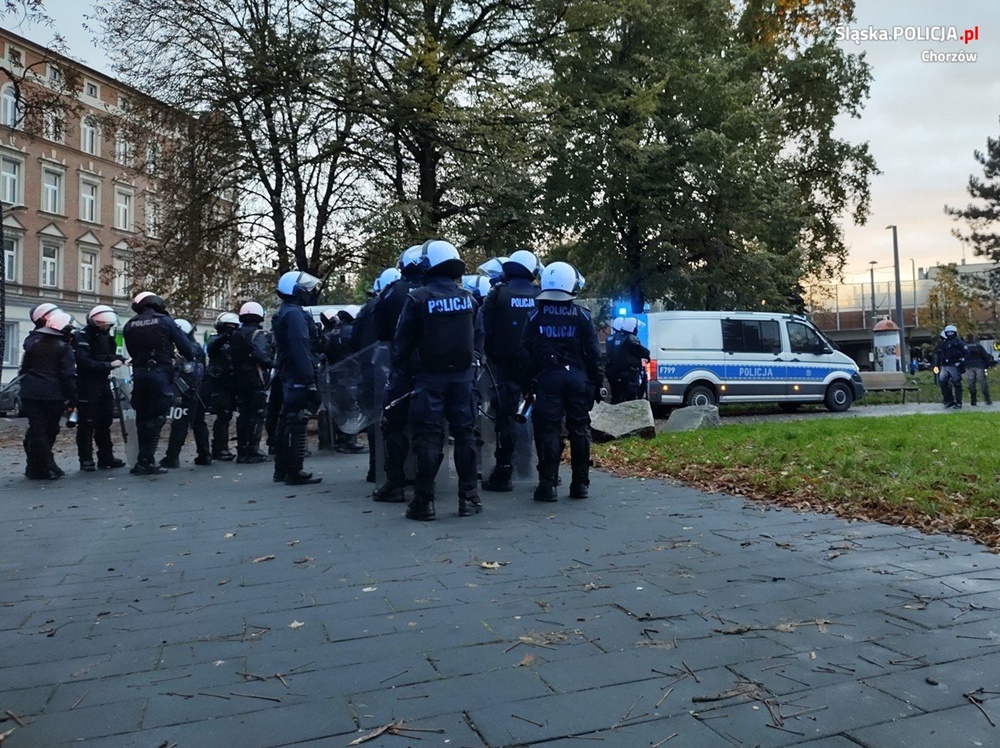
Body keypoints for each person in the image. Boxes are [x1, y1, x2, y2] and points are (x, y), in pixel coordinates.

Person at [393, 239, 484, 520]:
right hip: (463, 380)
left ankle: (424, 502)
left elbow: (401, 344)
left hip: (428, 380)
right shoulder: (468, 298)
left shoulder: (417, 298)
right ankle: (468, 499)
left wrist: (403, 371)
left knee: (429, 440)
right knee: (466, 436)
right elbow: (479, 337)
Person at [521, 261, 603, 502]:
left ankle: (547, 485)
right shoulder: (582, 316)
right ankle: (580, 485)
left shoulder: (535, 316)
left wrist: (527, 384)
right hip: (578, 379)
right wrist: (598, 383)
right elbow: (593, 353)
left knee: (549, 430)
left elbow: (525, 353)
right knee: (580, 429)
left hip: (548, 378)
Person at [480, 250, 542, 492]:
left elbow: (485, 330)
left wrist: (493, 357)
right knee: (538, 417)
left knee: (505, 418)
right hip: (535, 368)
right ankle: (538, 468)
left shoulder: (497, 293)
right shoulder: (541, 295)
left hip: (503, 368)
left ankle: (504, 471)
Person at [121, 291, 197, 475]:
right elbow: (186, 348)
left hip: (139, 374)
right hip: (160, 374)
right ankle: (147, 460)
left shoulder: (129, 324)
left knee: (142, 417)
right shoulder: (165, 321)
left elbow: (132, 351)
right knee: (157, 417)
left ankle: (142, 460)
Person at [372, 246, 425, 502]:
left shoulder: (393, 291)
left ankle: (395, 483)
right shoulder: (440, 291)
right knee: (434, 428)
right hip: (437, 373)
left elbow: (381, 331)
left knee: (392, 424)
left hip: (403, 370)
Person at [272, 270, 324, 485]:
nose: (309, 292)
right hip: (297, 373)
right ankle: (294, 470)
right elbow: (300, 345)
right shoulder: (294, 314)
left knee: (286, 419)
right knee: (296, 419)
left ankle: (282, 469)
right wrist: (309, 378)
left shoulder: (285, 312)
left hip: (288, 372)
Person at [20, 310, 77, 480]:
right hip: (53, 394)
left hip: (30, 392)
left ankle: (35, 466)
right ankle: (48, 465)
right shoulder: (63, 348)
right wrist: (72, 397)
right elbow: (67, 375)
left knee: (37, 430)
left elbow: (24, 370)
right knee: (49, 430)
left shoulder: (32, 343)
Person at [73, 305, 127, 471]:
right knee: (87, 422)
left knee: (105, 421)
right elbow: (84, 362)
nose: (107, 327)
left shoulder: (106, 336)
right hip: (87, 384)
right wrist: (108, 364)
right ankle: (86, 459)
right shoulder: (81, 337)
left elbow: (106, 354)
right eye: (104, 324)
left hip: (103, 383)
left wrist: (121, 359)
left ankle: (106, 457)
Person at [160, 319, 213, 468]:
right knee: (198, 422)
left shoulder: (185, 349)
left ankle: (172, 457)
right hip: (198, 389)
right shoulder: (195, 347)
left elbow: (185, 371)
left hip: (185, 391)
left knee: (179, 424)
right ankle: (204, 455)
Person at [229, 301, 274, 463]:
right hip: (257, 378)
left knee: (243, 415)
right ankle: (253, 450)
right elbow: (261, 355)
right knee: (257, 414)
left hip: (240, 379)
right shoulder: (258, 335)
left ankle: (242, 450)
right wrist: (271, 362)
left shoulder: (236, 334)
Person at [205, 311, 240, 461]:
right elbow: (212, 347)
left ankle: (222, 447)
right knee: (223, 415)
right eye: (229, 327)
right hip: (219, 383)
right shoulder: (215, 339)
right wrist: (227, 336)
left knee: (228, 415)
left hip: (231, 383)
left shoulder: (234, 342)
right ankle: (219, 448)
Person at [607, 317, 650, 403]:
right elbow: (642, 351)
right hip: (630, 373)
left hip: (617, 372)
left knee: (618, 397)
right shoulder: (630, 339)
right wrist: (647, 354)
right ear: (633, 328)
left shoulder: (618, 338)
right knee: (631, 398)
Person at [934, 324, 965, 410]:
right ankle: (948, 400)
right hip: (944, 366)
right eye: (948, 332)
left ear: (955, 333)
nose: (950, 334)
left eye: (951, 332)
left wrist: (960, 362)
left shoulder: (959, 343)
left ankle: (958, 402)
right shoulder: (943, 344)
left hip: (954, 365)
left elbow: (966, 353)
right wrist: (936, 365)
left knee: (957, 384)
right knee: (943, 383)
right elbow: (938, 353)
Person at [964, 334, 993, 406]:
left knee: (971, 384)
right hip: (979, 366)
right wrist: (987, 365)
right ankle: (987, 399)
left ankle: (973, 400)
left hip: (969, 367)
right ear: (974, 338)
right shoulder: (978, 346)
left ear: (966, 339)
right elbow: (985, 356)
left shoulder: (965, 347)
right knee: (983, 383)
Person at [604, 317, 625, 402]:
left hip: (610, 368)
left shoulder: (609, 338)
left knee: (614, 391)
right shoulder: (623, 338)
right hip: (620, 369)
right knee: (622, 393)